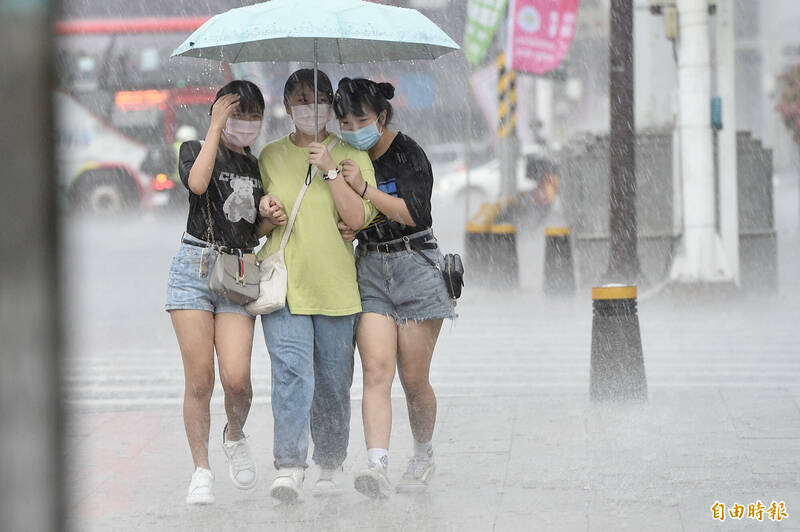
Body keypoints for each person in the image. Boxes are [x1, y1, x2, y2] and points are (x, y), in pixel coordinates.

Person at [256, 69, 378, 502]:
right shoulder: (268, 156)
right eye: (302, 98)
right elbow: (253, 225)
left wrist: (329, 170)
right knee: (291, 375)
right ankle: (289, 465)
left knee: (331, 382)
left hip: (336, 287)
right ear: (287, 106)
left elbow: (359, 218)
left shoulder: (349, 156)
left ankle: (329, 462)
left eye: (320, 97)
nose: (312, 106)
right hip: (285, 287)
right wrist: (265, 213)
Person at [333, 77, 456, 498]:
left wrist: (363, 190)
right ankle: (377, 465)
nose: (352, 130)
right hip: (370, 270)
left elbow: (415, 213)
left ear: (381, 117)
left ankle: (422, 454)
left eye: (361, 120)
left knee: (414, 379)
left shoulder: (408, 152)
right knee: (376, 372)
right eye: (344, 122)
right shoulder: (344, 156)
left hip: (416, 265)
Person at [165, 80, 286, 505]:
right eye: (239, 114)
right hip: (194, 267)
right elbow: (198, 185)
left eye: (254, 116)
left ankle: (234, 435)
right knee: (200, 380)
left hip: (237, 270)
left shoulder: (255, 167)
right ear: (220, 113)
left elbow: (250, 230)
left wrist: (269, 219)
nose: (247, 124)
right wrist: (216, 127)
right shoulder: (195, 149)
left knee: (237, 380)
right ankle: (201, 469)